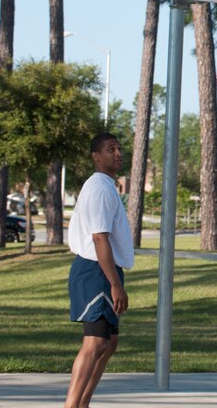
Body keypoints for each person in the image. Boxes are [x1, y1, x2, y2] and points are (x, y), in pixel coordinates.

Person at [65, 133, 134, 408]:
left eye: (119, 148)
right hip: (95, 271)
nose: (117, 153)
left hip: (104, 269)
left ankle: (82, 403)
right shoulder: (99, 188)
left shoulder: (107, 185)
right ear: (96, 156)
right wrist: (115, 284)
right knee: (94, 343)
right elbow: (99, 238)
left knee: (110, 341)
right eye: (110, 149)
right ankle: (73, 405)